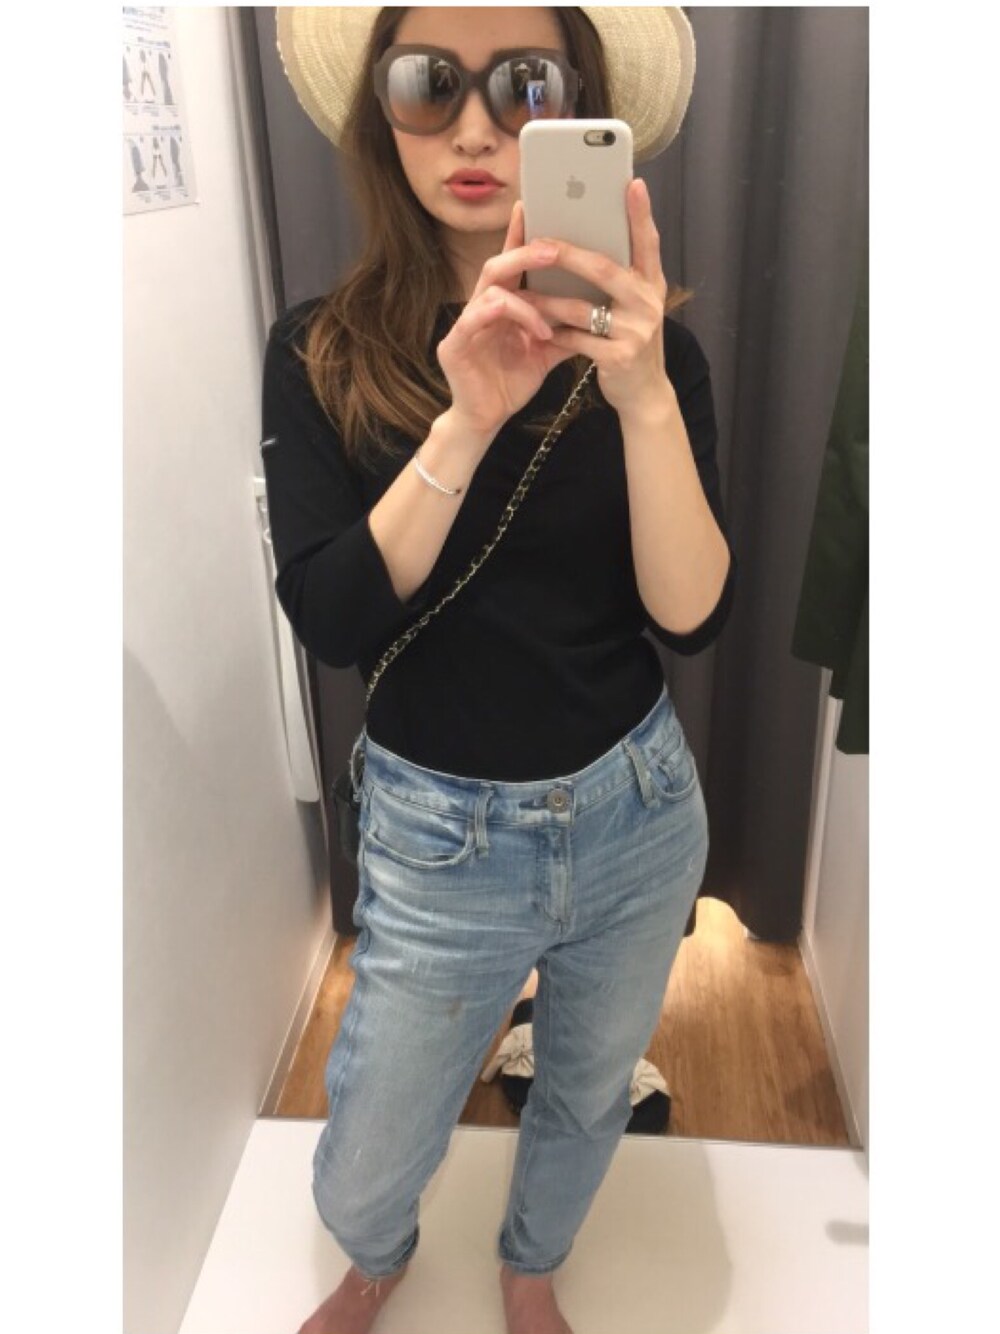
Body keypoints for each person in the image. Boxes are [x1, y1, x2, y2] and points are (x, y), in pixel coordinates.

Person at [264, 8, 737, 1333]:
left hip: (636, 806)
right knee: (372, 1139)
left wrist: (644, 397)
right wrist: (467, 421)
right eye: (430, 82)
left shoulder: (654, 355)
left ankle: (533, 1263)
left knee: (587, 1087)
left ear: (578, 106)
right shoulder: (320, 351)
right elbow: (334, 617)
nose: (476, 126)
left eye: (525, 83)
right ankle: (374, 1255)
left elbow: (693, 615)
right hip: (438, 830)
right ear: (382, 111)